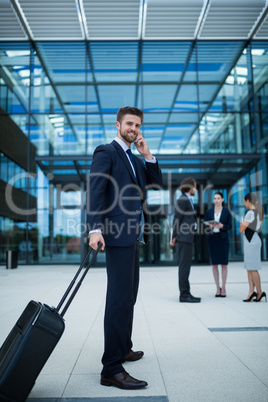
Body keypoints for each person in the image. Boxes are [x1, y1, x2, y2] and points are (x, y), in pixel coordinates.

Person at [87, 106, 163, 389]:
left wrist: (147, 155)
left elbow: (156, 183)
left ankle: (123, 348)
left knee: (129, 296)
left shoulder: (134, 159)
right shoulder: (106, 152)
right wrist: (94, 228)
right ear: (117, 124)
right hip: (116, 234)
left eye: (137, 125)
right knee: (118, 299)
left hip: (133, 236)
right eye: (129, 124)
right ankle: (111, 368)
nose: (134, 129)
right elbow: (95, 189)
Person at [170, 177, 201, 303]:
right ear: (190, 186)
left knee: (186, 266)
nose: (196, 188)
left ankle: (186, 293)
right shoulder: (183, 199)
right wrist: (173, 236)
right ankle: (184, 294)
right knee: (184, 267)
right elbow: (177, 218)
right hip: (184, 237)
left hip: (187, 237)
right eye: (195, 186)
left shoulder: (187, 199)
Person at [239, 192, 266, 303]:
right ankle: (251, 292)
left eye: (245, 201)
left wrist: (241, 223)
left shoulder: (250, 213)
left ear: (248, 201)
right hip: (253, 240)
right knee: (250, 267)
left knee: (253, 268)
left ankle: (259, 292)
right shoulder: (257, 212)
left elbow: (241, 230)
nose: (244, 204)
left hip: (251, 241)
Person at [205, 192, 232, 297]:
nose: (216, 200)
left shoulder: (226, 211)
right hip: (213, 239)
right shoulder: (209, 211)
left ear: (222, 199)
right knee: (214, 264)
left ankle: (223, 288)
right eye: (215, 198)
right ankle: (217, 288)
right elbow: (206, 225)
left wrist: (222, 226)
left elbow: (230, 226)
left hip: (223, 239)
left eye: (218, 198)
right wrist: (209, 227)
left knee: (224, 264)